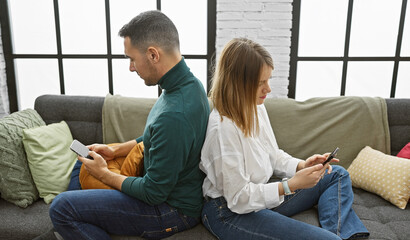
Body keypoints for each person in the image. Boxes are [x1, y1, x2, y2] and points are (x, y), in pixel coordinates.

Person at [49, 10, 210, 240]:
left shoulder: (176, 114)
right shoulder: (187, 85)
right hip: (159, 189)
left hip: (170, 210)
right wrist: (116, 149)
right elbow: (155, 137)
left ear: (153, 55)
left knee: (60, 207)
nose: (131, 68)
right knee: (83, 162)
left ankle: (68, 227)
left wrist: (105, 174)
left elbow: (153, 192)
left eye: (132, 59)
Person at [199, 38, 369, 240]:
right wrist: (291, 185)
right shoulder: (223, 129)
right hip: (228, 212)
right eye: (260, 83)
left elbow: (273, 155)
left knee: (336, 174)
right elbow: (239, 198)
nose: (268, 89)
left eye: (268, 80)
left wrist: (302, 165)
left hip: (258, 201)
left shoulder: (256, 108)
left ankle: (338, 235)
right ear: (238, 83)